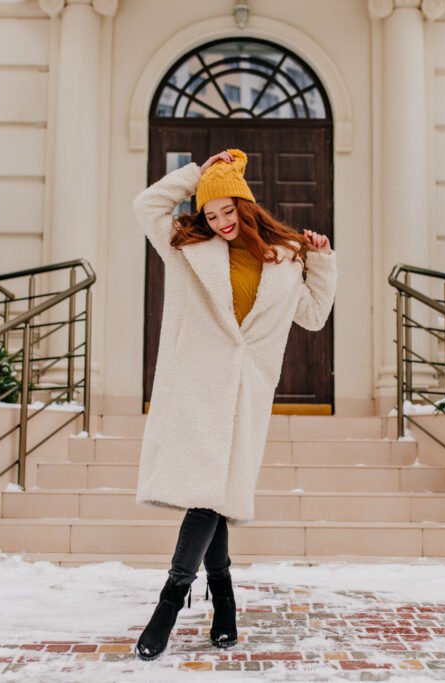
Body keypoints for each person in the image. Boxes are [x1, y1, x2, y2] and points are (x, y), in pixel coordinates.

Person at [130, 149, 337, 660]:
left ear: (246, 207)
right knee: (207, 494)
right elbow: (146, 206)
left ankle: (219, 600)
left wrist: (322, 261)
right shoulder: (187, 246)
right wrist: (196, 175)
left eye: (228, 211)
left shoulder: (285, 255)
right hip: (197, 387)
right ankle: (174, 605)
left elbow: (312, 316)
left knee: (213, 495)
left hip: (246, 391)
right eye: (211, 213)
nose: (220, 222)